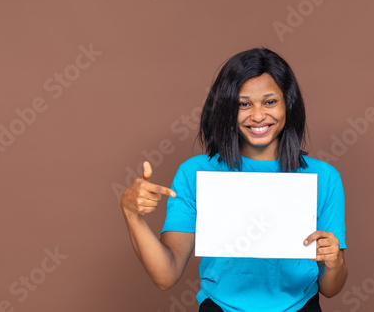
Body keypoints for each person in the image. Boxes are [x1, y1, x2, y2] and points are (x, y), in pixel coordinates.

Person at [120, 48, 347, 312]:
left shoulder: (324, 177)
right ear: (227, 108)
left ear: (289, 104)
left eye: (270, 102)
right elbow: (166, 276)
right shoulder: (194, 173)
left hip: (301, 307)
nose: (258, 115)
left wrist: (335, 263)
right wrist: (131, 213)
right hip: (220, 307)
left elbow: (331, 289)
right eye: (244, 104)